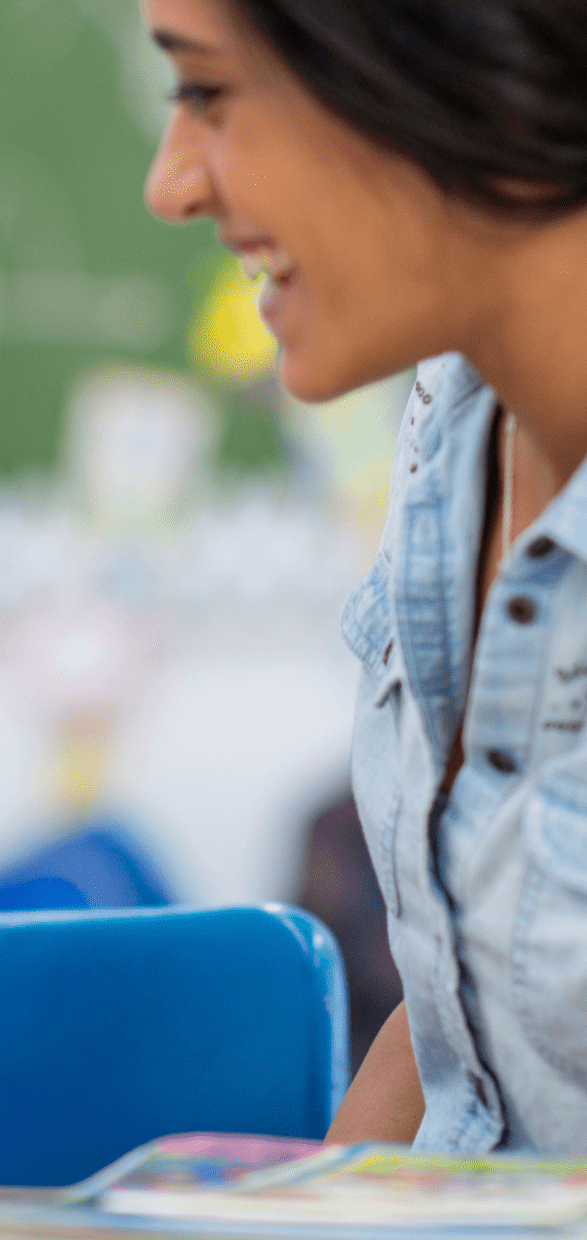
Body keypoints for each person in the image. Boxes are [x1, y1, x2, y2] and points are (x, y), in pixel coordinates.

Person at [142, 0, 587, 1152]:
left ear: (435, 66)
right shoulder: (452, 425)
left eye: (208, 93)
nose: (172, 182)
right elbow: (470, 1037)